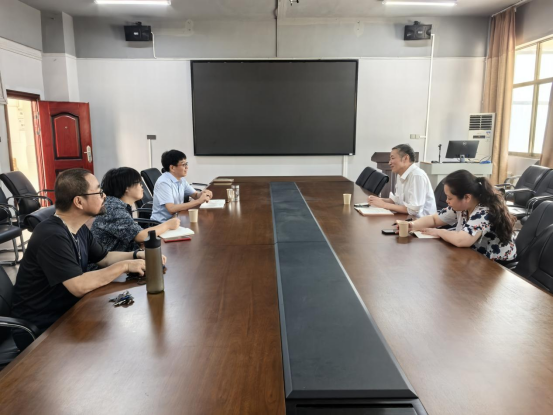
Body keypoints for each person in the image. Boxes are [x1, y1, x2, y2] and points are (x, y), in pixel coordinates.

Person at [11, 168, 151, 351]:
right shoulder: (52, 235)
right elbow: (78, 286)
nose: (104, 196)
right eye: (99, 192)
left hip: (67, 312)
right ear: (78, 201)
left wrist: (137, 255)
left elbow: (104, 257)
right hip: (42, 328)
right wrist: (124, 266)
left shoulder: (78, 228)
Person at [404, 169, 517, 261]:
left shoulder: (484, 211)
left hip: (497, 264)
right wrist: (412, 225)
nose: (447, 201)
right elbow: (434, 219)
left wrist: (439, 232)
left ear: (467, 197)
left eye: (450, 198)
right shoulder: (461, 207)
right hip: (476, 256)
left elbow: (461, 240)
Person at [91, 167, 180, 254]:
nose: (142, 186)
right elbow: (140, 236)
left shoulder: (116, 204)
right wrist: (168, 225)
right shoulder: (113, 209)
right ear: (126, 188)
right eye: (138, 183)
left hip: (124, 255)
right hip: (111, 261)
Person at [367, 144, 436, 217]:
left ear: (405, 158)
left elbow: (413, 210)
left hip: (420, 221)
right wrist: (378, 200)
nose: (389, 162)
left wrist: (384, 205)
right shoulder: (400, 174)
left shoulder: (417, 176)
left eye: (392, 158)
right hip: (407, 218)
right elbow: (397, 200)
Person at [150, 150, 213, 222]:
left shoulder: (181, 179)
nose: (187, 167)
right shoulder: (164, 183)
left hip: (177, 218)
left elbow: (195, 195)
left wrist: (202, 194)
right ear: (172, 168)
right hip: (162, 223)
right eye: (183, 165)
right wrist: (198, 201)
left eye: (186, 164)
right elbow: (171, 209)